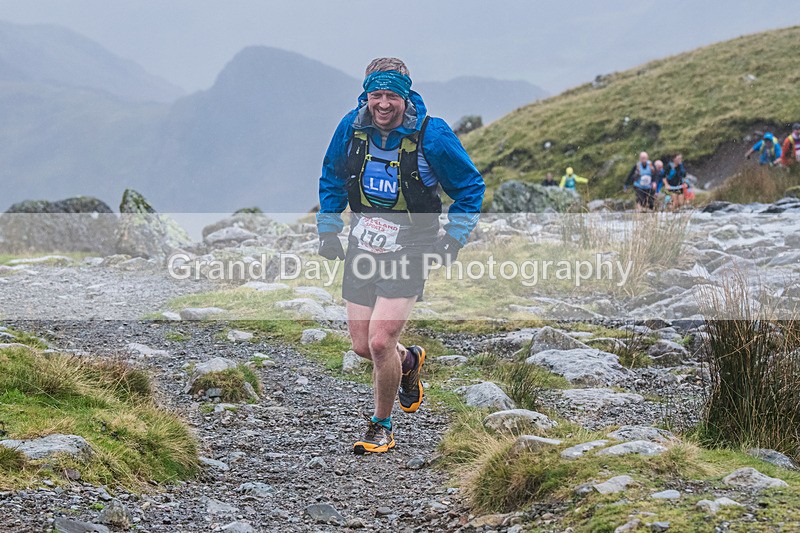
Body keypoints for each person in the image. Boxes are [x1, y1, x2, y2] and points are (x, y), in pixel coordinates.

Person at [316, 58, 485, 454]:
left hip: (412, 243)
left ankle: (381, 425)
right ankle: (408, 362)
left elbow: (470, 187)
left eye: (392, 95)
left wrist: (453, 239)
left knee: (378, 342)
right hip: (364, 239)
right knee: (361, 346)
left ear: (405, 97)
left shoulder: (433, 134)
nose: (384, 104)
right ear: (366, 95)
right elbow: (332, 175)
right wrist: (329, 228)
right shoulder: (351, 128)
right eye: (377, 94)